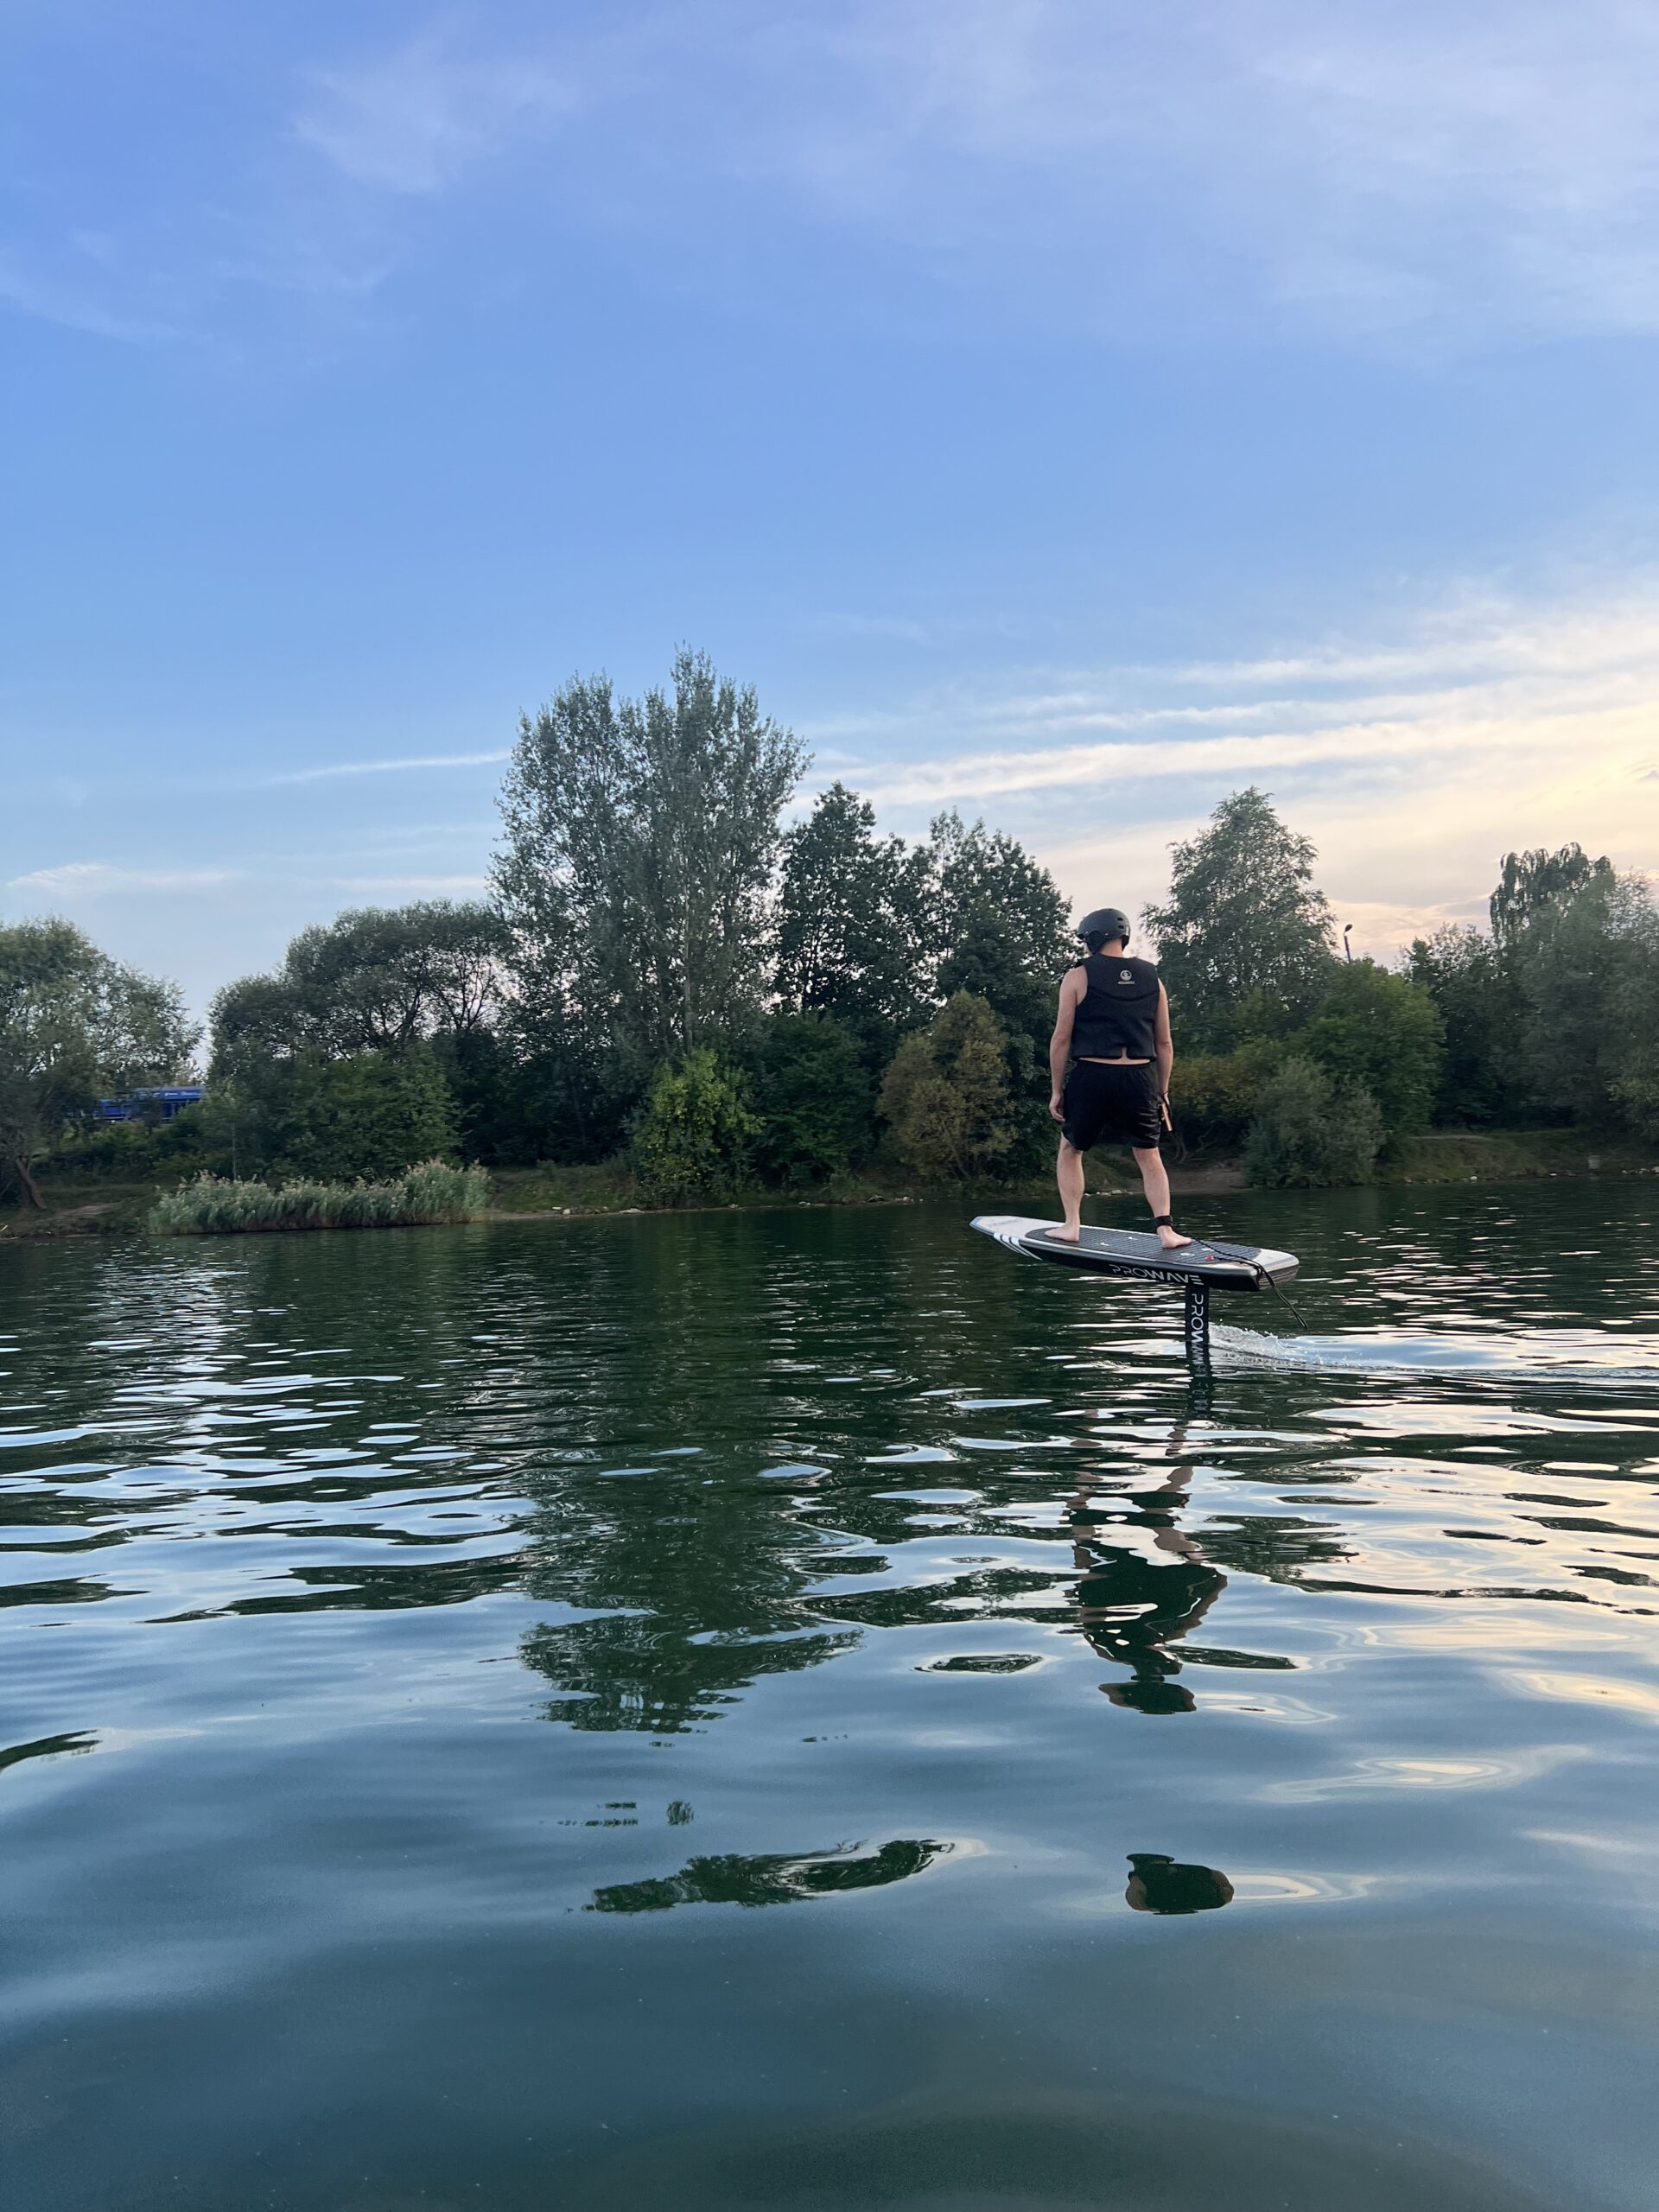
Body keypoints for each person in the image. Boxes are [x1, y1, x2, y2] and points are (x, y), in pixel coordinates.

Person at [1047, 906, 1190, 1249]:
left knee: (1071, 1149)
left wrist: (1056, 1091)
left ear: (1093, 938)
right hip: (1140, 1078)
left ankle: (1071, 1225)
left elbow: (1062, 1038)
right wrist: (1163, 1091)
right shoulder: (1153, 979)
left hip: (1093, 1075)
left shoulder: (1077, 975)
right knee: (1148, 1153)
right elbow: (1165, 1042)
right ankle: (1166, 1231)